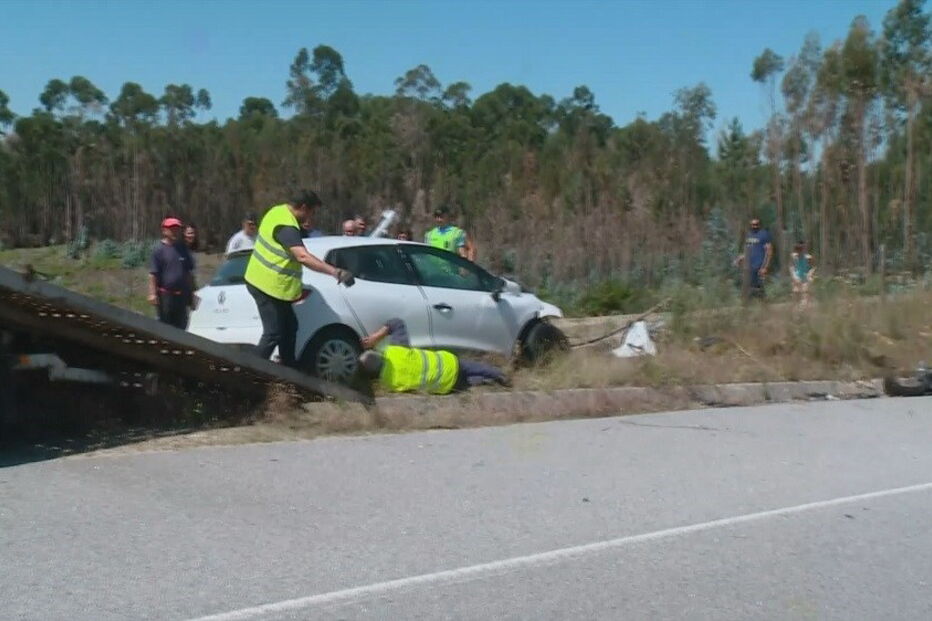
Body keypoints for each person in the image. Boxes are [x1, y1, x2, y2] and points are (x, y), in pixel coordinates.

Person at [244, 190, 355, 367]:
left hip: (271, 286)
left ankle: (288, 372)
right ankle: (247, 372)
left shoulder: (277, 211)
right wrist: (336, 272)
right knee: (273, 333)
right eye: (311, 212)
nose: (312, 216)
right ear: (303, 208)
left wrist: (303, 230)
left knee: (290, 327)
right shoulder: (287, 226)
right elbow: (303, 257)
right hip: (266, 285)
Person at [358, 318, 510, 394]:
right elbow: (397, 323)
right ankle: (500, 376)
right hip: (449, 363)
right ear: (379, 354)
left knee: (469, 381)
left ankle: (487, 382)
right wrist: (375, 337)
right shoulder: (396, 351)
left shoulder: (390, 384)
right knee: (475, 367)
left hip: (446, 386)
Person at [148, 217, 196, 329]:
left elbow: (189, 274)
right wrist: (152, 293)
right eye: (172, 229)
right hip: (165, 296)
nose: (175, 231)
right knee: (165, 328)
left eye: (177, 229)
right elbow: (153, 274)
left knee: (182, 327)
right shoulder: (159, 250)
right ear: (164, 231)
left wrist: (192, 294)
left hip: (181, 296)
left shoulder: (182, 249)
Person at [734, 217, 773, 298]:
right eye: (752, 225)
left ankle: (763, 305)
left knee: (758, 287)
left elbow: (769, 251)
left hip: (759, 265)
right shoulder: (749, 235)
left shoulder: (764, 234)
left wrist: (765, 267)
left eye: (756, 224)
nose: (754, 226)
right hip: (749, 266)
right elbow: (747, 250)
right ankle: (754, 305)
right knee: (750, 286)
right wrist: (739, 258)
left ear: (759, 225)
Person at [790, 241, 815, 308]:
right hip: (797, 278)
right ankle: (796, 310)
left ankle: (804, 309)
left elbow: (813, 267)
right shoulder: (794, 257)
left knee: (805, 293)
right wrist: (794, 276)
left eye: (800, 249)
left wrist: (810, 274)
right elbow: (791, 268)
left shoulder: (808, 257)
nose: (799, 252)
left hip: (805, 277)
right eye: (797, 250)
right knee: (796, 293)